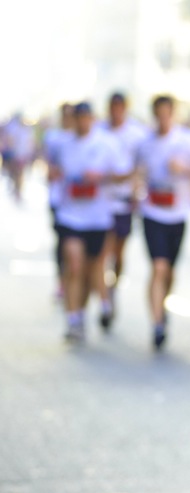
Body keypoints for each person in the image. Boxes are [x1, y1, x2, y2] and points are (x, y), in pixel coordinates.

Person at [137, 95, 190, 350]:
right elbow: (136, 172)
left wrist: (186, 170)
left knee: (169, 271)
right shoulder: (145, 143)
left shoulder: (187, 141)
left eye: (167, 114)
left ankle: (163, 304)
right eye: (158, 114)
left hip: (178, 214)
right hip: (152, 213)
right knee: (158, 267)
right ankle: (156, 324)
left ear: (173, 114)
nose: (163, 119)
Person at [51, 102, 126, 342]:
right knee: (74, 265)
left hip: (97, 218)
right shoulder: (62, 144)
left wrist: (101, 176)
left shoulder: (106, 143)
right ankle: (73, 320)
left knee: (91, 269)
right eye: (79, 118)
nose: (82, 122)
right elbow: (53, 171)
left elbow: (123, 173)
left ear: (92, 119)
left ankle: (88, 311)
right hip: (70, 216)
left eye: (86, 117)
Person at [99, 92, 148, 312]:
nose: (116, 110)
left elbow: (142, 166)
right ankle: (104, 301)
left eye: (120, 106)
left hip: (125, 202)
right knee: (104, 251)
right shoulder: (99, 131)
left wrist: (137, 186)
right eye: (113, 106)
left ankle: (112, 288)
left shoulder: (136, 134)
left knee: (118, 252)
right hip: (102, 201)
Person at [42, 103, 75, 301]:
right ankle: (62, 280)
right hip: (60, 200)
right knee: (63, 242)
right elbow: (49, 169)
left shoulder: (87, 139)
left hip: (84, 205)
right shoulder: (54, 138)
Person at [1, 113, 35, 201]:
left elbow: (30, 143)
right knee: (16, 172)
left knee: (20, 173)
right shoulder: (16, 129)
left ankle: (18, 189)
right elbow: (11, 141)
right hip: (16, 154)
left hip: (22, 155)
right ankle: (17, 188)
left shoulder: (27, 130)